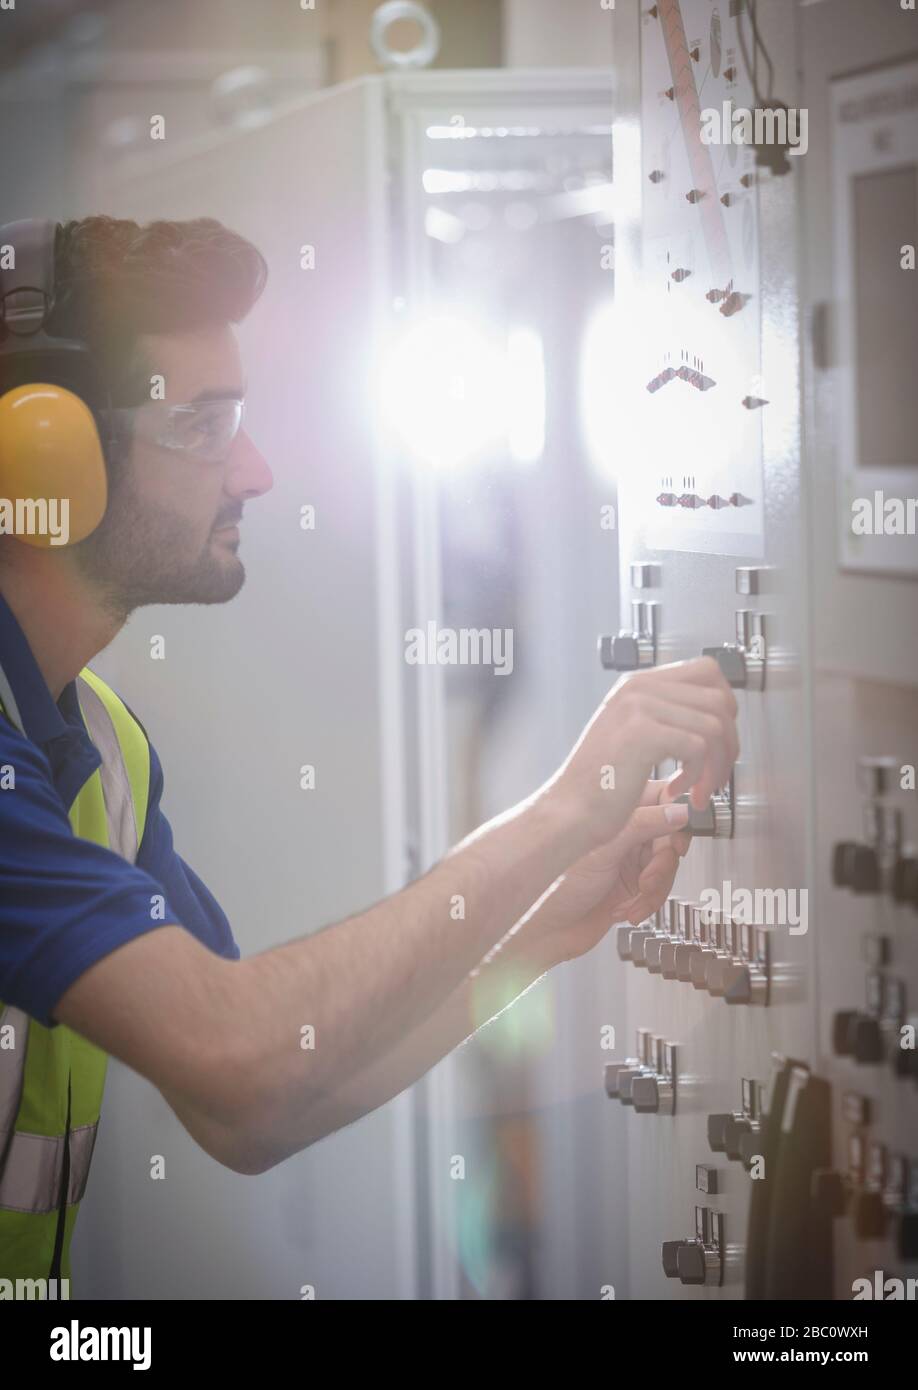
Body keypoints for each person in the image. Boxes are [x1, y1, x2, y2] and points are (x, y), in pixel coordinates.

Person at [0, 215, 738, 1282]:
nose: (254, 471)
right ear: (43, 456)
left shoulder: (100, 743)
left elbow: (254, 1104)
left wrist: (540, 926)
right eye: (202, 428)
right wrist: (567, 805)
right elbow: (242, 1060)